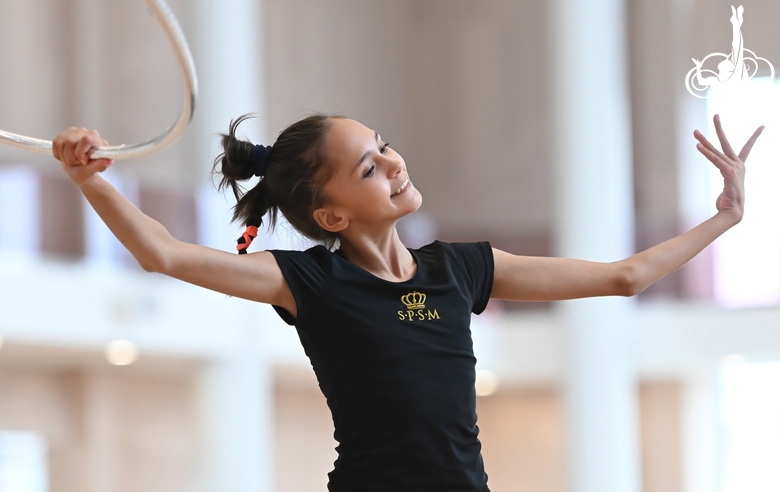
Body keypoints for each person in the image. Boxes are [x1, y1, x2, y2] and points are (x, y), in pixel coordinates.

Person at [52, 113, 762, 492]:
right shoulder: (313, 283)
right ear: (330, 216)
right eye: (368, 166)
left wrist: (723, 218)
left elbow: (625, 277)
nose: (393, 164)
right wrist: (91, 182)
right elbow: (164, 254)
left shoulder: (460, 269)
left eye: (385, 147)